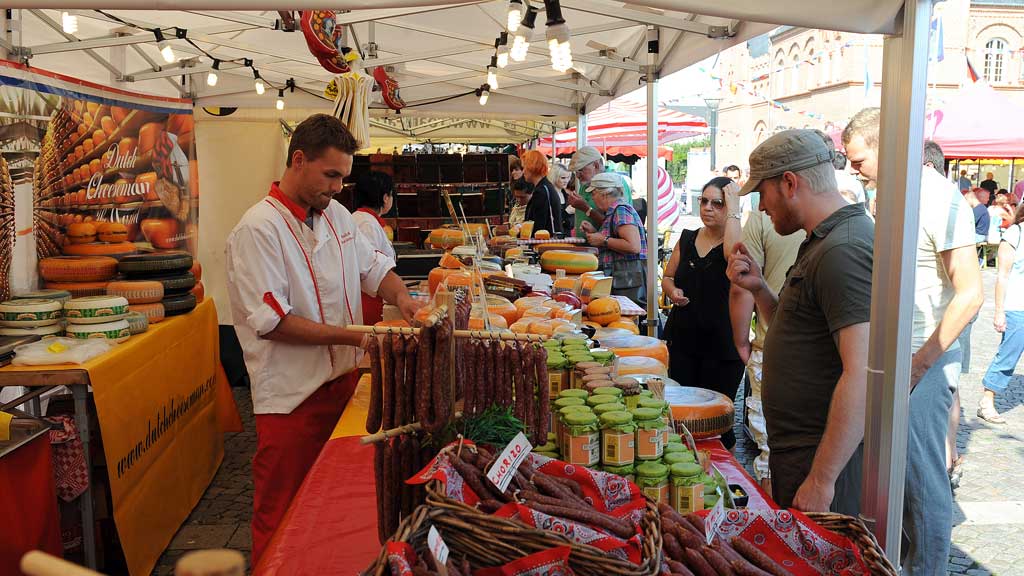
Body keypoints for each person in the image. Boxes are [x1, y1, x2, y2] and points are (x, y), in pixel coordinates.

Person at [225, 114, 421, 564]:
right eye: (330, 175)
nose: (337, 188)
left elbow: (375, 269)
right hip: (292, 398)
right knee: (282, 511)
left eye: (343, 178)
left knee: (331, 510)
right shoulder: (258, 228)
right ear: (298, 160)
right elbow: (273, 321)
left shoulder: (336, 217)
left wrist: (404, 299)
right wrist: (357, 335)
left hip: (344, 388)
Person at [844, 108, 982, 575]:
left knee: (923, 485)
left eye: (858, 159)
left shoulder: (941, 198)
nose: (853, 169)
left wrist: (920, 364)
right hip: (894, 359)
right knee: (894, 477)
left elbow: (971, 293)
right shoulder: (889, 194)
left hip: (921, 359)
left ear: (885, 146)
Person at [727, 128, 873, 517]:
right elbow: (800, 333)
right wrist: (759, 289)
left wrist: (822, 479)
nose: (761, 207)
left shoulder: (843, 248)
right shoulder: (823, 240)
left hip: (823, 460)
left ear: (789, 183)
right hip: (802, 453)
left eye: (762, 193)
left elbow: (861, 373)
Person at [663, 177, 745, 449]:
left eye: (718, 203)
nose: (708, 208)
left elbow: (734, 255)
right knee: (683, 418)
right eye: (704, 201)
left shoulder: (734, 241)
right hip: (684, 341)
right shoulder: (687, 238)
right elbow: (669, 276)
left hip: (722, 346)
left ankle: (726, 477)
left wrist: (734, 210)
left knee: (719, 424)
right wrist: (672, 291)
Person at [980, 202, 1024, 424]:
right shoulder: (1015, 233)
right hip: (1018, 306)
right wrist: (999, 311)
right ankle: (987, 400)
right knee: (1008, 356)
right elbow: (1003, 276)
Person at [582, 172, 647, 306]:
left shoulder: (620, 210)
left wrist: (603, 240)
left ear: (604, 194)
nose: (592, 198)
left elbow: (633, 246)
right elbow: (616, 238)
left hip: (626, 278)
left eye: (593, 193)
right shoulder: (615, 211)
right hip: (624, 278)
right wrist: (595, 233)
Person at [352, 171, 397, 326]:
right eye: (391, 195)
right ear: (385, 198)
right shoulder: (366, 223)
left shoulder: (367, 220)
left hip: (373, 295)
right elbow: (368, 268)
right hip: (369, 301)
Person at [520, 150, 562, 236]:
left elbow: (538, 226)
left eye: (524, 167)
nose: (523, 172)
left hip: (545, 243)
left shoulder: (542, 191)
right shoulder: (544, 187)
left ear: (532, 167)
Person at [567, 146, 606, 237]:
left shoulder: (613, 185)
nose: (577, 176)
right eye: (576, 172)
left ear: (596, 165)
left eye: (580, 170)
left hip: (600, 249)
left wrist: (586, 208)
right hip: (583, 246)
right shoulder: (586, 184)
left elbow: (614, 224)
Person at [551, 163, 575, 233]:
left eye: (568, 177)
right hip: (554, 237)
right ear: (554, 177)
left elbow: (570, 223)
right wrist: (566, 213)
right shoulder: (549, 195)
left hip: (566, 235)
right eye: (563, 178)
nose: (566, 181)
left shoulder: (566, 195)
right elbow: (550, 221)